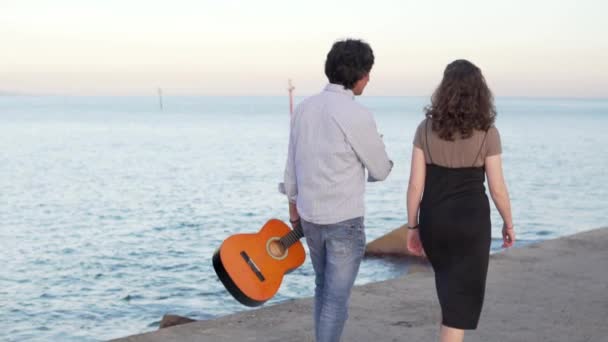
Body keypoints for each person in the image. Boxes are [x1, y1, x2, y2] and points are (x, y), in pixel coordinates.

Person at [282, 39, 393, 342]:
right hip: (344, 222)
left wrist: (293, 210)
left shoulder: (304, 109)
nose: (369, 79)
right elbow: (381, 170)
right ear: (357, 75)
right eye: (367, 73)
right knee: (335, 301)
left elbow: (292, 165)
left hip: (310, 218)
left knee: (322, 289)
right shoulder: (357, 115)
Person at [405, 59, 515, 342]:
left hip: (435, 223)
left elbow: (415, 185)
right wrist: (509, 222)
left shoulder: (424, 129)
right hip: (471, 226)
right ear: (480, 93)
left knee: (450, 296)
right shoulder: (488, 133)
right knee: (458, 305)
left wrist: (412, 227)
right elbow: (498, 188)